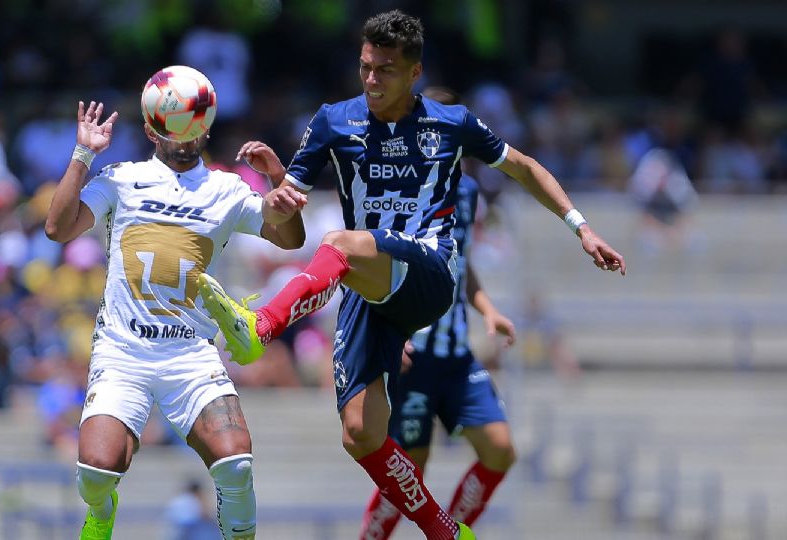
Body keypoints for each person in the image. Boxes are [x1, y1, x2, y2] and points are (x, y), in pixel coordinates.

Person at [198, 11, 625, 540]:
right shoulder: (334, 120)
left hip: (428, 273)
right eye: (366, 67)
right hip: (366, 283)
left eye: (386, 70)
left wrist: (581, 227)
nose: (373, 80)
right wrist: (279, 182)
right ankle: (445, 530)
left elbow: (525, 167)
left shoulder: (452, 123)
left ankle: (259, 325)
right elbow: (287, 221)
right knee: (361, 434)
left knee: (342, 244)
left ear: (415, 70)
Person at [44, 66, 307, 540]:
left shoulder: (226, 188)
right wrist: (83, 153)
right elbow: (58, 229)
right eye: (174, 128)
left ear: (207, 125)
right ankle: (101, 513)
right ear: (151, 129)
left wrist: (277, 179)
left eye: (195, 127)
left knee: (236, 463)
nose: (185, 139)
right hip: (124, 352)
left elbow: (290, 239)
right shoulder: (123, 178)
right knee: (98, 471)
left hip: (189, 353)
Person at [359, 92, 517, 534]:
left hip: (456, 353)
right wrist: (386, 332)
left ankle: (453, 531)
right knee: (409, 468)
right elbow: (370, 266)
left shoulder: (467, 193)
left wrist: (487, 308)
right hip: (412, 355)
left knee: (500, 449)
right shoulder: (395, 186)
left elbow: (459, 263)